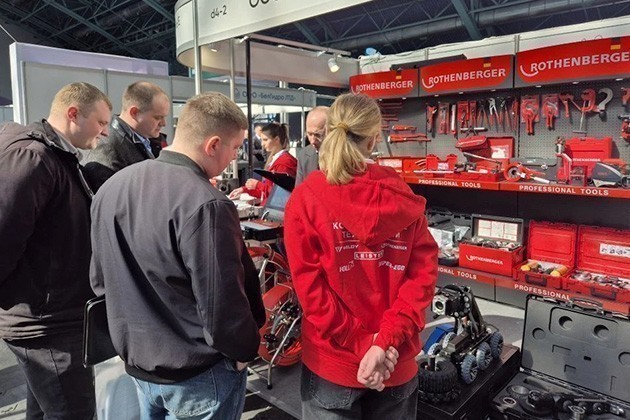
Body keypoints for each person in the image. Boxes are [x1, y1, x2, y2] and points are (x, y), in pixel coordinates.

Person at [89, 92, 265, 420]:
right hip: (198, 373)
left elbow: (100, 280)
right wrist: (243, 351)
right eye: (235, 147)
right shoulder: (207, 203)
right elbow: (222, 302)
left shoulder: (112, 188)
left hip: (141, 364)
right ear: (213, 144)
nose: (235, 157)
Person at [284, 93, 438, 420]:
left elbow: (310, 291)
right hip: (393, 362)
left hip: (333, 363)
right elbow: (421, 281)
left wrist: (363, 343)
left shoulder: (307, 198)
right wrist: (383, 343)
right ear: (374, 138)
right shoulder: (404, 198)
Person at [0, 82, 112, 420]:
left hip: (49, 318)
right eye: (101, 122)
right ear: (73, 114)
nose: (105, 133)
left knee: (46, 410)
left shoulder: (54, 155)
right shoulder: (33, 157)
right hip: (46, 323)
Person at [82, 81, 170, 191]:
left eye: (164, 117)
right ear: (134, 112)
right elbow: (109, 197)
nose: (164, 123)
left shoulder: (150, 140)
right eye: (158, 117)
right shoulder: (108, 147)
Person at [229, 122, 297, 205]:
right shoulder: (276, 160)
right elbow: (265, 192)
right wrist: (245, 189)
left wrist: (257, 185)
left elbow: (280, 194)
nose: (262, 144)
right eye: (262, 140)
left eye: (265, 140)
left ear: (276, 139)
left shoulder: (285, 162)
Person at [295, 106, 328, 186]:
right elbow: (299, 190)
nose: (312, 140)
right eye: (309, 134)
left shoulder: (345, 154)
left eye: (318, 135)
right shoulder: (303, 156)